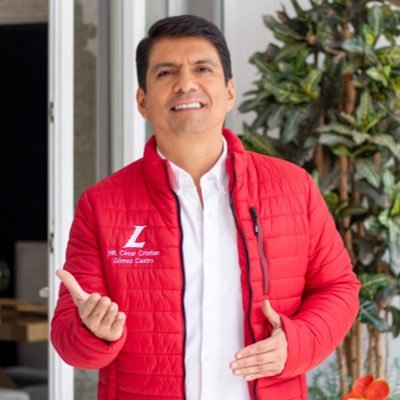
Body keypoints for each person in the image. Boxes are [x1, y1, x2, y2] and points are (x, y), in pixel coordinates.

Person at [51, 14, 360, 400]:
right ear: (142, 101)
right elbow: (68, 336)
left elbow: (339, 288)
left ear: (229, 92)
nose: (185, 84)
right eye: (166, 73)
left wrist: (296, 344)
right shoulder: (103, 204)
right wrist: (91, 332)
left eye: (202, 69)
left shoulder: (292, 187)